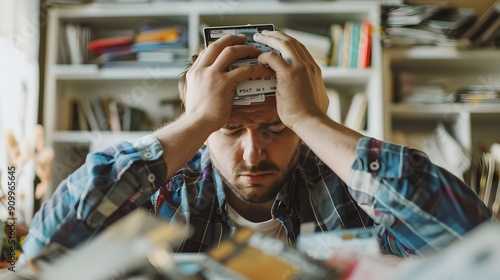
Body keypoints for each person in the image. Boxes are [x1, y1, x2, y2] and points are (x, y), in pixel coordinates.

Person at [21, 30, 490, 261]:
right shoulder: (165, 193)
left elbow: (472, 248)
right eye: (228, 129)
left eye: (274, 128)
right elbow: (45, 252)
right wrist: (197, 119)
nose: (251, 153)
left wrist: (311, 118)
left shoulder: (351, 186)